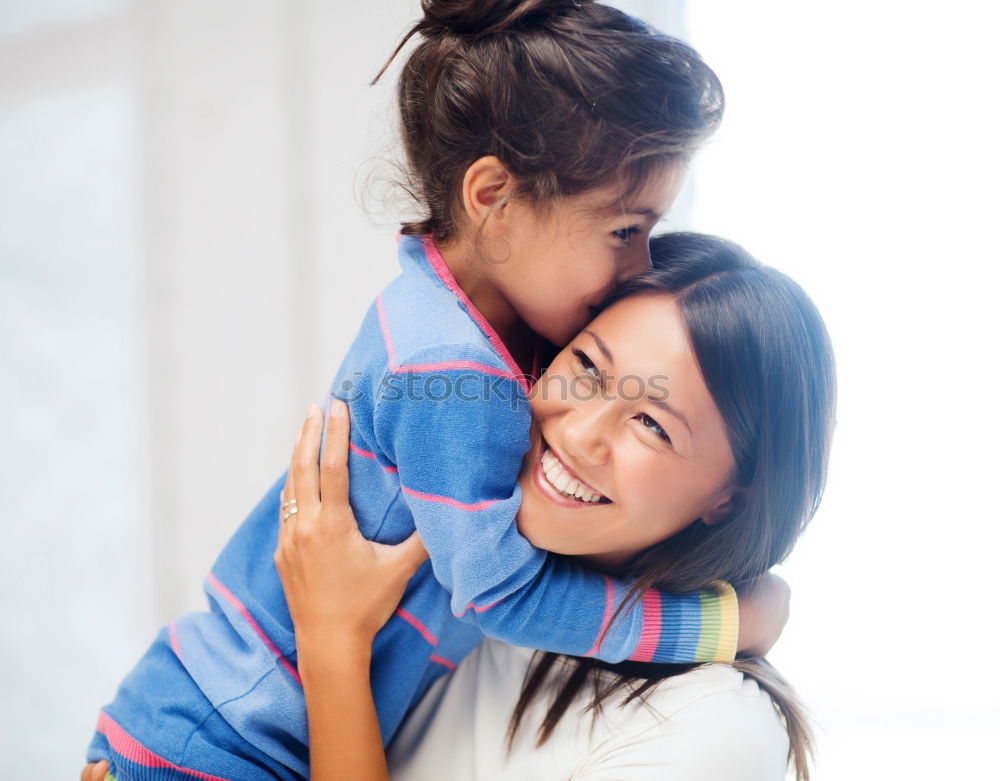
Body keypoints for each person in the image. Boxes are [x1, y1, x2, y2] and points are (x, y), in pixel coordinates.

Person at [85, 4, 787, 780]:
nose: (636, 266)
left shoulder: (443, 311)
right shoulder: (451, 370)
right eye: (624, 231)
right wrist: (717, 622)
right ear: (493, 199)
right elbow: (501, 596)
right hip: (216, 744)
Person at [283, 232, 835, 780]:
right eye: (589, 369)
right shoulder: (454, 545)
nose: (579, 433)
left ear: (730, 501)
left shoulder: (711, 731)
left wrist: (332, 642)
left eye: (652, 425)